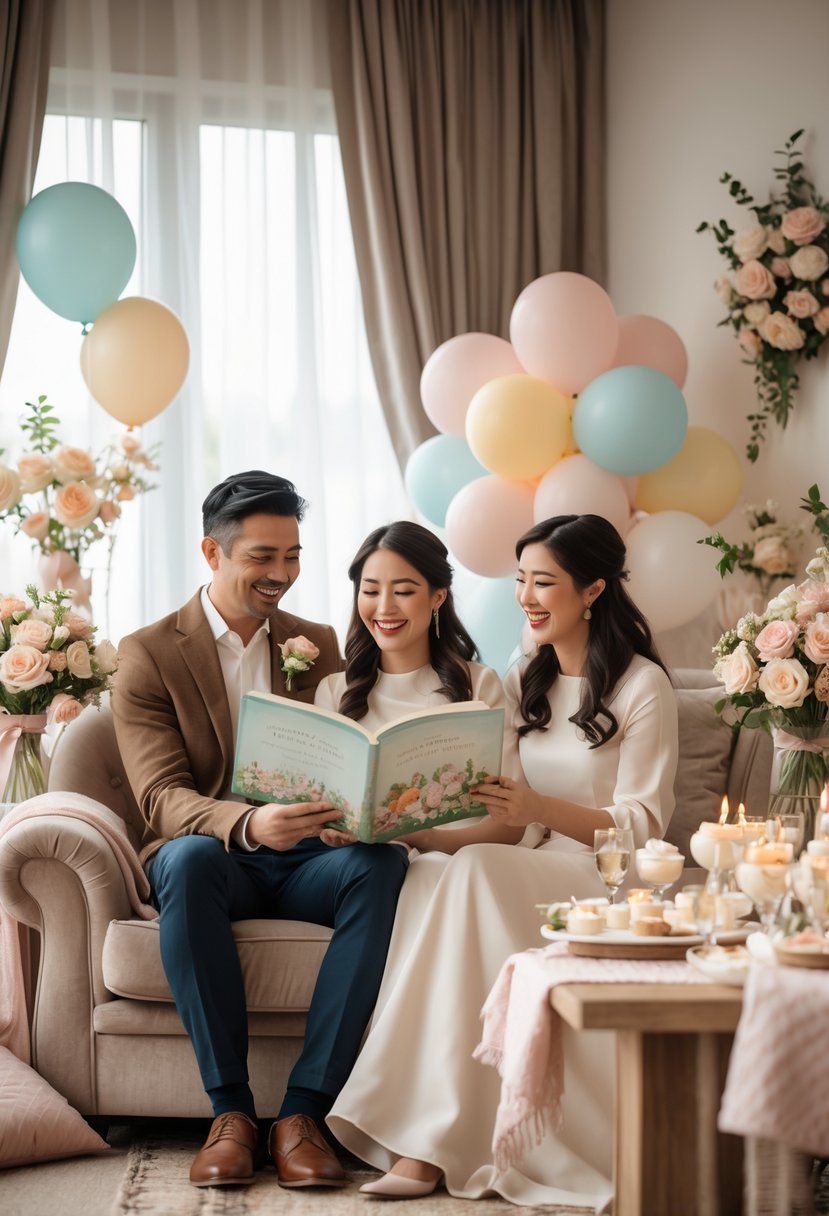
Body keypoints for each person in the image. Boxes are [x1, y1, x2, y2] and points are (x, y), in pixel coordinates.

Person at [326, 513, 679, 1208]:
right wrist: (412, 830)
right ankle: (428, 1137)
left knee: (476, 874)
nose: (525, 596)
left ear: (593, 590)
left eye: (542, 581)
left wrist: (538, 811)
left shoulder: (643, 688)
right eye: (519, 580)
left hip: (607, 878)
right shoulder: (524, 677)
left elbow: (641, 827)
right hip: (531, 862)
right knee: (451, 872)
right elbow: (505, 823)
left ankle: (419, 1148)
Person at [111, 471, 409, 1191]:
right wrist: (246, 824)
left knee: (381, 864)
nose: (282, 574)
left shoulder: (317, 641)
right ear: (212, 553)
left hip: (310, 861)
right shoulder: (148, 652)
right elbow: (159, 796)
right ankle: (231, 1114)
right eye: (262, 557)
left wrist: (354, 814)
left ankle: (303, 1114)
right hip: (219, 860)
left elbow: (347, 748)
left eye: (293, 555)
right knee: (183, 859)